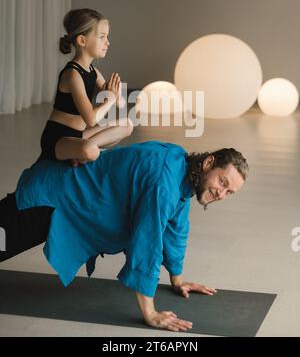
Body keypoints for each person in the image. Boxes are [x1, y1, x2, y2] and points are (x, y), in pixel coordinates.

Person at [8, 139, 248, 332]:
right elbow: (148, 241)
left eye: (230, 192)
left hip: (72, 201)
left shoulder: (181, 167)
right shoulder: (163, 183)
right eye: (222, 182)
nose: (221, 194)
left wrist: (177, 279)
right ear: (208, 163)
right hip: (50, 199)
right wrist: (150, 313)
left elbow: (177, 227)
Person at [37, 8, 133, 167]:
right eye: (102, 37)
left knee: (127, 124)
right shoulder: (72, 74)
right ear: (82, 40)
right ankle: (83, 153)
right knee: (90, 150)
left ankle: (80, 153)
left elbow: (120, 104)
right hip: (58, 139)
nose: (107, 42)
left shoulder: (93, 71)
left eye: (107, 37)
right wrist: (109, 98)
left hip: (79, 134)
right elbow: (91, 118)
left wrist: (115, 94)